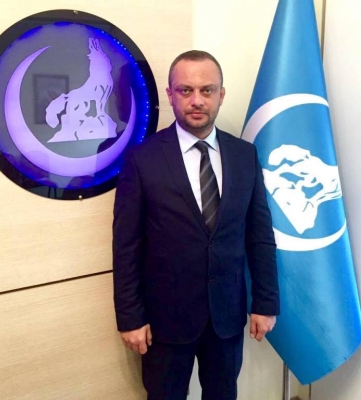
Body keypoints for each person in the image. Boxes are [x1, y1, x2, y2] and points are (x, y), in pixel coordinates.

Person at [112, 50, 280, 400]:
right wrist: (130, 317)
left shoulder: (244, 155)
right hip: (164, 321)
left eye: (207, 90)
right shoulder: (142, 159)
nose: (197, 100)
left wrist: (265, 302)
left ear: (221, 94)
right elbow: (126, 246)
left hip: (226, 317)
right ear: (170, 95)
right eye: (185, 90)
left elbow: (259, 236)